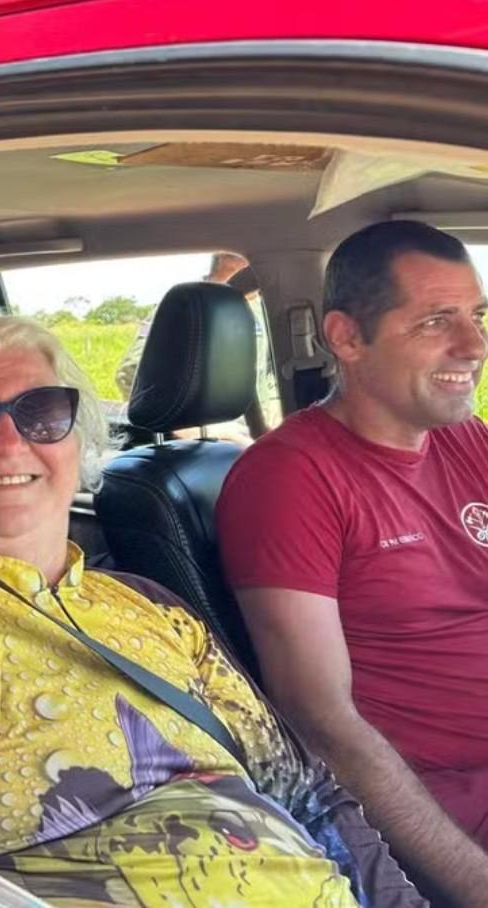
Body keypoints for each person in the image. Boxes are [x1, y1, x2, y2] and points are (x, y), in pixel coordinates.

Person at [0, 315, 423, 906]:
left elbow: (309, 794)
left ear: (75, 445)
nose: (8, 442)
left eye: (41, 413)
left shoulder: (152, 608)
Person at [217, 220, 488, 905]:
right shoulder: (291, 478)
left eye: (477, 316)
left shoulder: (468, 442)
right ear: (346, 338)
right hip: (451, 810)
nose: (474, 346)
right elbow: (323, 724)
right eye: (436, 321)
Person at [115, 251, 281, 436]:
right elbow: (130, 372)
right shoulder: (191, 306)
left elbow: (271, 377)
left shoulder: (267, 309)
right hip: (219, 433)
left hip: (259, 432)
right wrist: (199, 429)